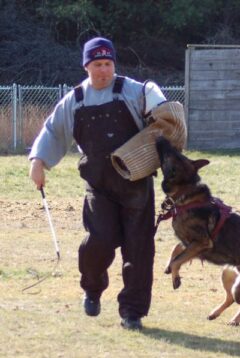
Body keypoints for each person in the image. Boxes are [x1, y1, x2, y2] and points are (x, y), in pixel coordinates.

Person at [29, 37, 167, 330]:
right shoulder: (75, 99)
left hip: (137, 185)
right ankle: (92, 288)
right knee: (99, 242)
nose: (103, 70)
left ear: (114, 64)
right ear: (86, 66)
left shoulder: (135, 91)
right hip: (99, 185)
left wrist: (163, 111)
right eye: (97, 65)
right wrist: (38, 162)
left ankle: (132, 313)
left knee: (139, 251)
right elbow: (53, 132)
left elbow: (160, 108)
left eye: (108, 64)